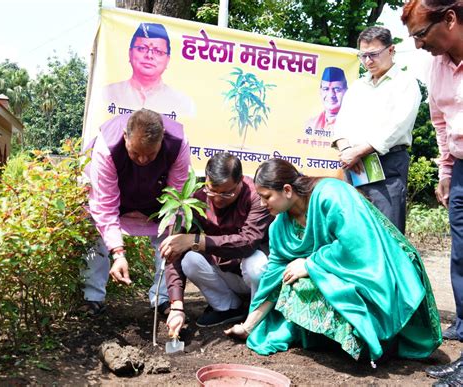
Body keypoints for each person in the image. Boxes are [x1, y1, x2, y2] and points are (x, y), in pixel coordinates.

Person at [225, 158, 442, 365]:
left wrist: (310, 264)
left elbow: (357, 245)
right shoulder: (279, 227)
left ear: (287, 190)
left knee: (310, 280)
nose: (262, 204)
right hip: (340, 270)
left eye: (267, 197)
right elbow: (274, 278)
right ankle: (335, 342)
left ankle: (372, 340)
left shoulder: (331, 194)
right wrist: (249, 326)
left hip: (378, 267)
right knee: (296, 283)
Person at [402, 0, 463, 384]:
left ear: (451, 18)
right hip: (461, 168)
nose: (419, 45)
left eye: (422, 34)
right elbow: (440, 119)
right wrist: (445, 169)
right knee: (461, 258)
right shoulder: (436, 65)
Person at [82, 108, 190, 316]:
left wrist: (172, 232)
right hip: (118, 198)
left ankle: (162, 299)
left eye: (150, 155)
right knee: (94, 230)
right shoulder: (107, 146)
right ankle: (92, 298)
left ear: (161, 141)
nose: (142, 160)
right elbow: (104, 205)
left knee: (169, 241)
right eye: (134, 153)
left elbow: (176, 198)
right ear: (125, 136)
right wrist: (118, 253)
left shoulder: (178, 144)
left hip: (157, 201)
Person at [161, 152, 274, 335]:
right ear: (206, 179)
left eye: (227, 193)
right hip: (225, 272)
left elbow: (248, 241)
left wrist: (197, 240)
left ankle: (257, 318)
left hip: (254, 275)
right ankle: (228, 307)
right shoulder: (197, 198)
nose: (218, 198)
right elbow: (174, 249)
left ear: (240, 182)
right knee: (189, 259)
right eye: (212, 190)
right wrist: (177, 305)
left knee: (255, 263)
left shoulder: (255, 195)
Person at [333, 26, 422, 234]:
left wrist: (359, 151)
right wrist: (347, 151)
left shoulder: (405, 83)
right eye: (363, 56)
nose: (367, 61)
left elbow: (397, 126)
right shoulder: (357, 87)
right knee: (354, 230)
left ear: (391, 50)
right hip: (353, 166)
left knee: (386, 231)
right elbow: (341, 123)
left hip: (387, 165)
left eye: (373, 54)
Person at [103, 22, 195, 118]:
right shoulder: (107, 94)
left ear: (167, 60)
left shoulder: (183, 104)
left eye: (158, 51)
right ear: (130, 53)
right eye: (142, 48)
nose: (149, 56)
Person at [304, 66, 348, 135]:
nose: (331, 95)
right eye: (326, 89)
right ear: (320, 91)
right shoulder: (310, 124)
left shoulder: (351, 124)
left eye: (337, 89)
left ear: (346, 91)